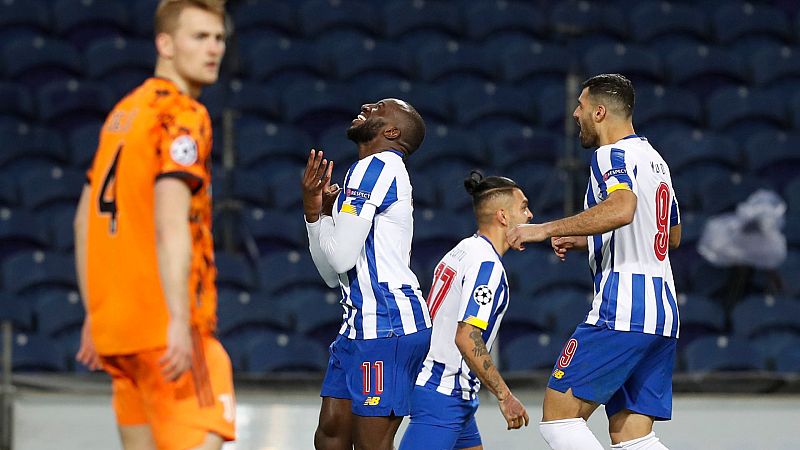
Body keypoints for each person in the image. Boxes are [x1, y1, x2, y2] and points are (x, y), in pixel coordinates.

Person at [73, 1, 234, 449]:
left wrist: (94, 312)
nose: (214, 49)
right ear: (164, 43)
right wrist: (179, 321)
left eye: (219, 38)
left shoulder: (123, 114)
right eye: (199, 37)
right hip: (168, 329)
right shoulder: (183, 114)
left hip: (118, 332)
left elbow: (84, 218)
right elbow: (170, 221)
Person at [507, 73, 681, 450]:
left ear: (599, 112)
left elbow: (622, 208)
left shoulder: (609, 154)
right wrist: (590, 237)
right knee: (631, 435)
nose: (575, 113)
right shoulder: (655, 159)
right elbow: (671, 234)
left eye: (581, 106)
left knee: (559, 418)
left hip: (624, 307)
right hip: (663, 309)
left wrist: (544, 229)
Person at [302, 98, 433, 450]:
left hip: (388, 324)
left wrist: (327, 219)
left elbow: (340, 257)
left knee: (371, 444)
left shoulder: (377, 167)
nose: (366, 105)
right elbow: (332, 274)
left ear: (391, 132)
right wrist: (315, 215)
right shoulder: (364, 174)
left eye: (378, 108)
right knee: (331, 436)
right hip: (358, 324)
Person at [399, 171, 532, 450]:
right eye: (523, 207)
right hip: (443, 392)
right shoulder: (487, 266)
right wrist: (505, 396)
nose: (530, 215)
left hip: (451, 390)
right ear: (503, 217)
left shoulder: (463, 249)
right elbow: (466, 337)